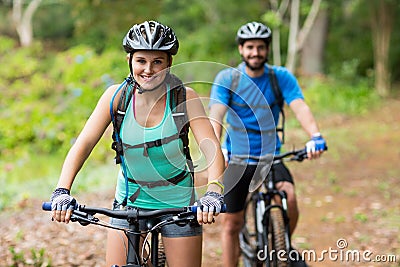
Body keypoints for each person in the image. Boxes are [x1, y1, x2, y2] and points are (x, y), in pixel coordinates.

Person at [49, 20, 225, 267]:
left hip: (178, 204)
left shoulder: (185, 98)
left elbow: (214, 152)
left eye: (157, 62)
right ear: (130, 61)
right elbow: (84, 144)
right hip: (128, 202)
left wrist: (213, 194)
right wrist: (62, 191)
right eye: (141, 61)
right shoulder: (116, 97)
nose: (148, 70)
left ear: (169, 63)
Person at [209, 21, 327, 267]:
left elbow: (299, 106)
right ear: (241, 49)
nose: (255, 52)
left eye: (260, 47)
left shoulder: (280, 77)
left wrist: (315, 136)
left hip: (271, 157)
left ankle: (282, 243)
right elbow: (216, 115)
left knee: (289, 199)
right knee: (231, 223)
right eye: (250, 47)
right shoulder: (228, 78)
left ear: (267, 49)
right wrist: (217, 146)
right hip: (238, 159)